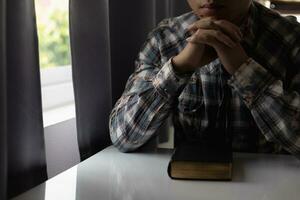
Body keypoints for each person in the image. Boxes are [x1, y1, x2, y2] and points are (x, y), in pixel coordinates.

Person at [109, 0, 300, 159]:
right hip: (188, 185)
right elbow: (123, 136)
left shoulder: (291, 39)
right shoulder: (165, 38)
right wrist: (179, 67)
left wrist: (243, 69)